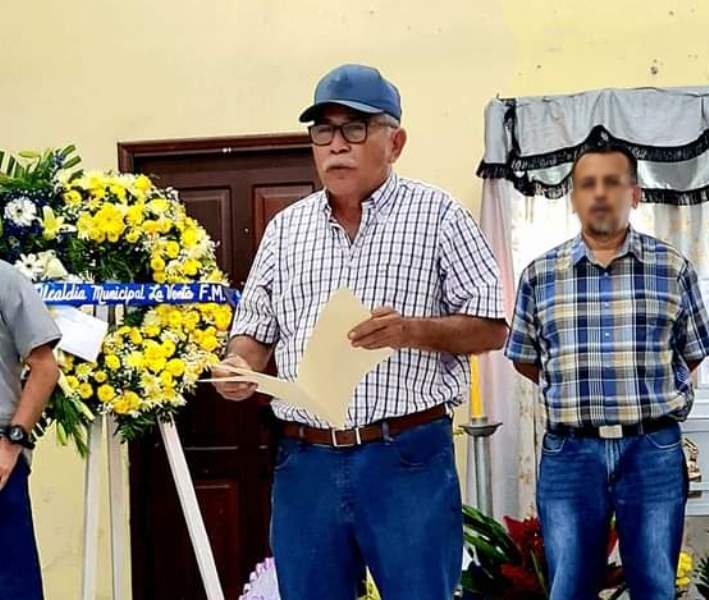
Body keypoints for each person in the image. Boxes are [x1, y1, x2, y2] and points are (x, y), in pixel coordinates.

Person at [213, 64, 507, 599]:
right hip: (305, 460)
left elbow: (491, 327)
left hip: (405, 456)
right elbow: (253, 331)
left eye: (355, 127)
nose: (336, 145)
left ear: (395, 143)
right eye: (323, 130)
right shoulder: (285, 230)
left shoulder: (438, 215)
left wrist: (412, 331)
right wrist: (239, 366)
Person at [505, 143, 709, 599]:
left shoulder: (672, 269)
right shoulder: (540, 275)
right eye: (587, 184)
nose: (600, 194)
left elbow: (694, 351)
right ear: (574, 197)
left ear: (634, 193)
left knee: (655, 587)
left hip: (651, 450)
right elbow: (525, 357)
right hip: (570, 453)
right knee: (569, 587)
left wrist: (650, 391)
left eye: (612, 182)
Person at [0, 260, 61, 599]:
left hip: (1, 460)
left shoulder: (6, 280)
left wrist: (11, 443)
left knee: (11, 586)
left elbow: (45, 368)